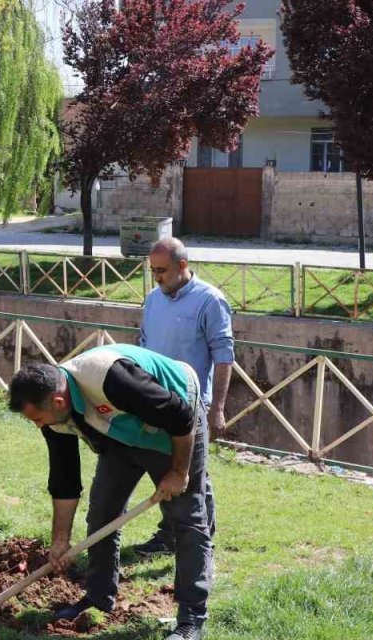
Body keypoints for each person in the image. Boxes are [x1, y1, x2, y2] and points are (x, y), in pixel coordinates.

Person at [8, 344, 214, 640]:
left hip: (176, 423)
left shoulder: (111, 378)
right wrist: (60, 541)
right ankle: (98, 597)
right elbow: (65, 479)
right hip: (122, 434)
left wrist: (180, 473)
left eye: (37, 419)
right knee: (102, 513)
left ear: (57, 401)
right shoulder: (54, 415)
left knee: (185, 519)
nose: (38, 426)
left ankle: (191, 619)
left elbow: (180, 416)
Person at [134, 237, 233, 557]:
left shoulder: (210, 300)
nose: (156, 277)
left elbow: (224, 356)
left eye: (161, 271)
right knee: (171, 469)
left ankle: (193, 535)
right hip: (155, 400)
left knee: (190, 471)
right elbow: (144, 345)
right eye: (152, 271)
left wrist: (217, 409)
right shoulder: (153, 299)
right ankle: (176, 534)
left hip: (192, 403)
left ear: (182, 266)